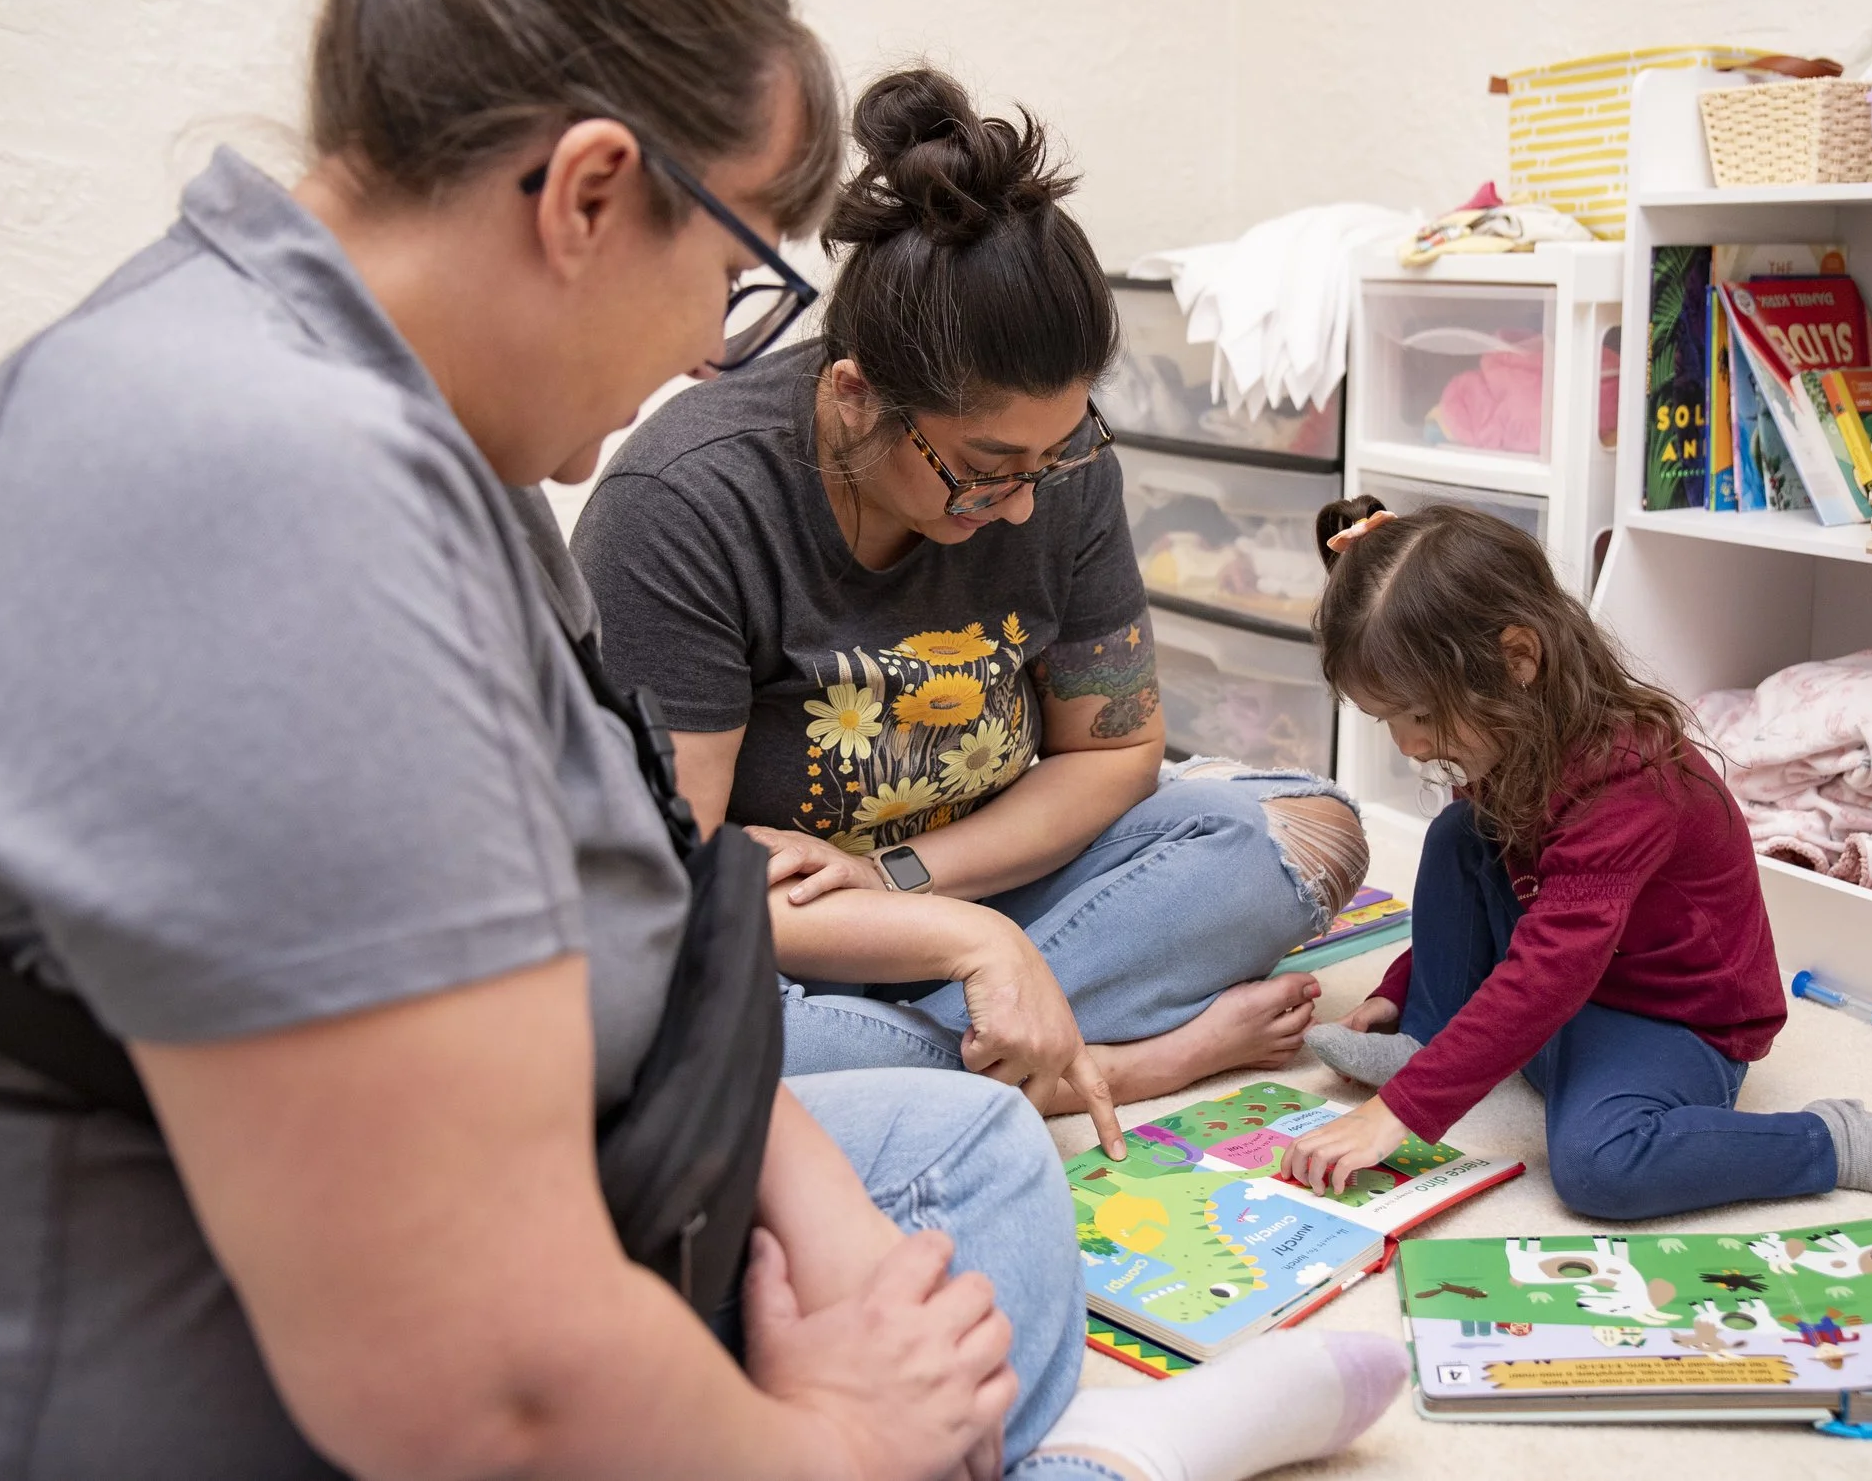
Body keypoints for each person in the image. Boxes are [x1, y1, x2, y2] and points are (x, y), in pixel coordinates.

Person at [0, 0, 1403, 1477]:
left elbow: (656, 921)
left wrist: (829, 1220)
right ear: (588, 195)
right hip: (174, 1374)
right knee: (919, 1360)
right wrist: (841, 1439)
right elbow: (483, 1383)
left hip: (579, 1152)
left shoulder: (403, 429)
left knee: (970, 1150)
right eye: (730, 271)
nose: (716, 341)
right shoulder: (261, 493)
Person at [571, 66, 1368, 1109]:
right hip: (784, 937)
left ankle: (950, 1054)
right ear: (855, 396)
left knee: (1309, 828)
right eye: (984, 467)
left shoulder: (1057, 464)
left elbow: (1114, 748)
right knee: (647, 1025)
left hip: (963, 875)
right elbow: (677, 884)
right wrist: (968, 939)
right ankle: (1103, 1063)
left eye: (1054, 457)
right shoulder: (685, 502)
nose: (1025, 506)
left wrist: (906, 877)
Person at [1280, 498, 1872, 1219]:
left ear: (1520, 659)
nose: (1408, 743)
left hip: (1668, 1017)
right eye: (1391, 719)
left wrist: (1400, 1112)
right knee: (1462, 833)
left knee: (1600, 1165)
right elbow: (1506, 899)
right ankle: (1430, 1038)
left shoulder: (1627, 782)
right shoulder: (1516, 734)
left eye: (1421, 715)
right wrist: (1409, 989)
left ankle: (1828, 1141)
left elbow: (1547, 971)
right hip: (1573, 979)